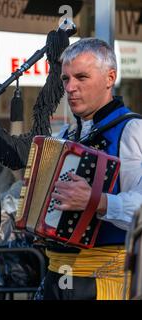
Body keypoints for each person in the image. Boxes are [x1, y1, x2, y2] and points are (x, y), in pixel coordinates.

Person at [39, 38, 142, 300]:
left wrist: (97, 201)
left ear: (110, 78)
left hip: (105, 279)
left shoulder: (133, 130)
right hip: (56, 274)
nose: (70, 88)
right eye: (65, 79)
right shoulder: (66, 134)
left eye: (82, 77)